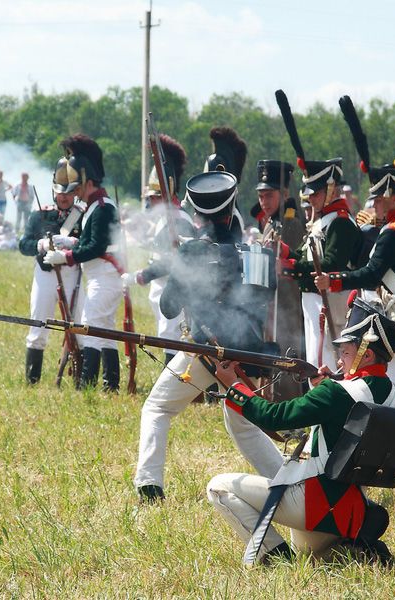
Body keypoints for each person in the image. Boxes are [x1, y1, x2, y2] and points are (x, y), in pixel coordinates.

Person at [207, 299, 395, 563]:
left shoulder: (337, 392)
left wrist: (233, 385)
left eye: (346, 353)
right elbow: (345, 422)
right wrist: (322, 388)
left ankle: (275, 558)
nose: (339, 359)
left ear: (366, 355)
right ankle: (348, 550)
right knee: (310, 555)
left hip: (315, 505)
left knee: (218, 487)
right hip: (351, 512)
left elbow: (274, 417)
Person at [134, 127, 271, 502]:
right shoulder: (253, 253)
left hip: (205, 351)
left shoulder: (193, 252)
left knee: (157, 408)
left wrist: (182, 267)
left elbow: (167, 307)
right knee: (245, 428)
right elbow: (261, 305)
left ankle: (149, 486)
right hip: (245, 353)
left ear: (196, 211)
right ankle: (287, 481)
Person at [315, 162, 395, 392]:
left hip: (393, 312)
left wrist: (334, 280)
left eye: (379, 199)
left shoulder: (393, 233)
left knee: (391, 379)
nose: (373, 205)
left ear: (393, 198)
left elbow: (372, 274)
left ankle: (394, 425)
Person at [44, 134, 123, 392]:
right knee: (106, 329)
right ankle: (110, 385)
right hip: (101, 275)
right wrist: (71, 244)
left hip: (106, 275)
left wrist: (65, 256)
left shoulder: (101, 207)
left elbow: (97, 247)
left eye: (77, 187)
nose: (74, 193)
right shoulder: (94, 207)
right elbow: (90, 243)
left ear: (88, 181)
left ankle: (86, 386)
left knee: (90, 324)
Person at [280, 158, 362, 370]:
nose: (311, 197)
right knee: (314, 361)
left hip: (328, 300)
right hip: (313, 298)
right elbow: (305, 255)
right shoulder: (324, 219)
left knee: (324, 361)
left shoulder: (341, 221)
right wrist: (285, 253)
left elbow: (331, 264)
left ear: (332, 190)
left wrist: (291, 267)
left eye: (316, 192)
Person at [127, 134, 196, 362]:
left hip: (175, 289)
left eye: (156, 196)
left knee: (172, 337)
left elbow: (174, 260)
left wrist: (144, 274)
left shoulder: (179, 219)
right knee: (167, 335)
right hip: (164, 289)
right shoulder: (166, 217)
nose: (152, 201)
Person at [18, 159, 85, 386]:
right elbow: (23, 245)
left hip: (73, 273)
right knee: (37, 326)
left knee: (78, 327)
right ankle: (32, 381)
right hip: (45, 274)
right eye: (59, 193)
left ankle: (80, 380)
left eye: (67, 193)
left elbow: (92, 243)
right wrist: (40, 245)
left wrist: (74, 242)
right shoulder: (40, 215)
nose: (63, 198)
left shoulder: (83, 215)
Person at [250, 159, 306, 402]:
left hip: (288, 300)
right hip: (272, 299)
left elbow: (289, 260)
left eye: (269, 195)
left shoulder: (292, 222)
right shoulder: (271, 222)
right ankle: (271, 399)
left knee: (288, 351)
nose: (264, 201)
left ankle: (288, 405)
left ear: (284, 194)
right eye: (261, 196)